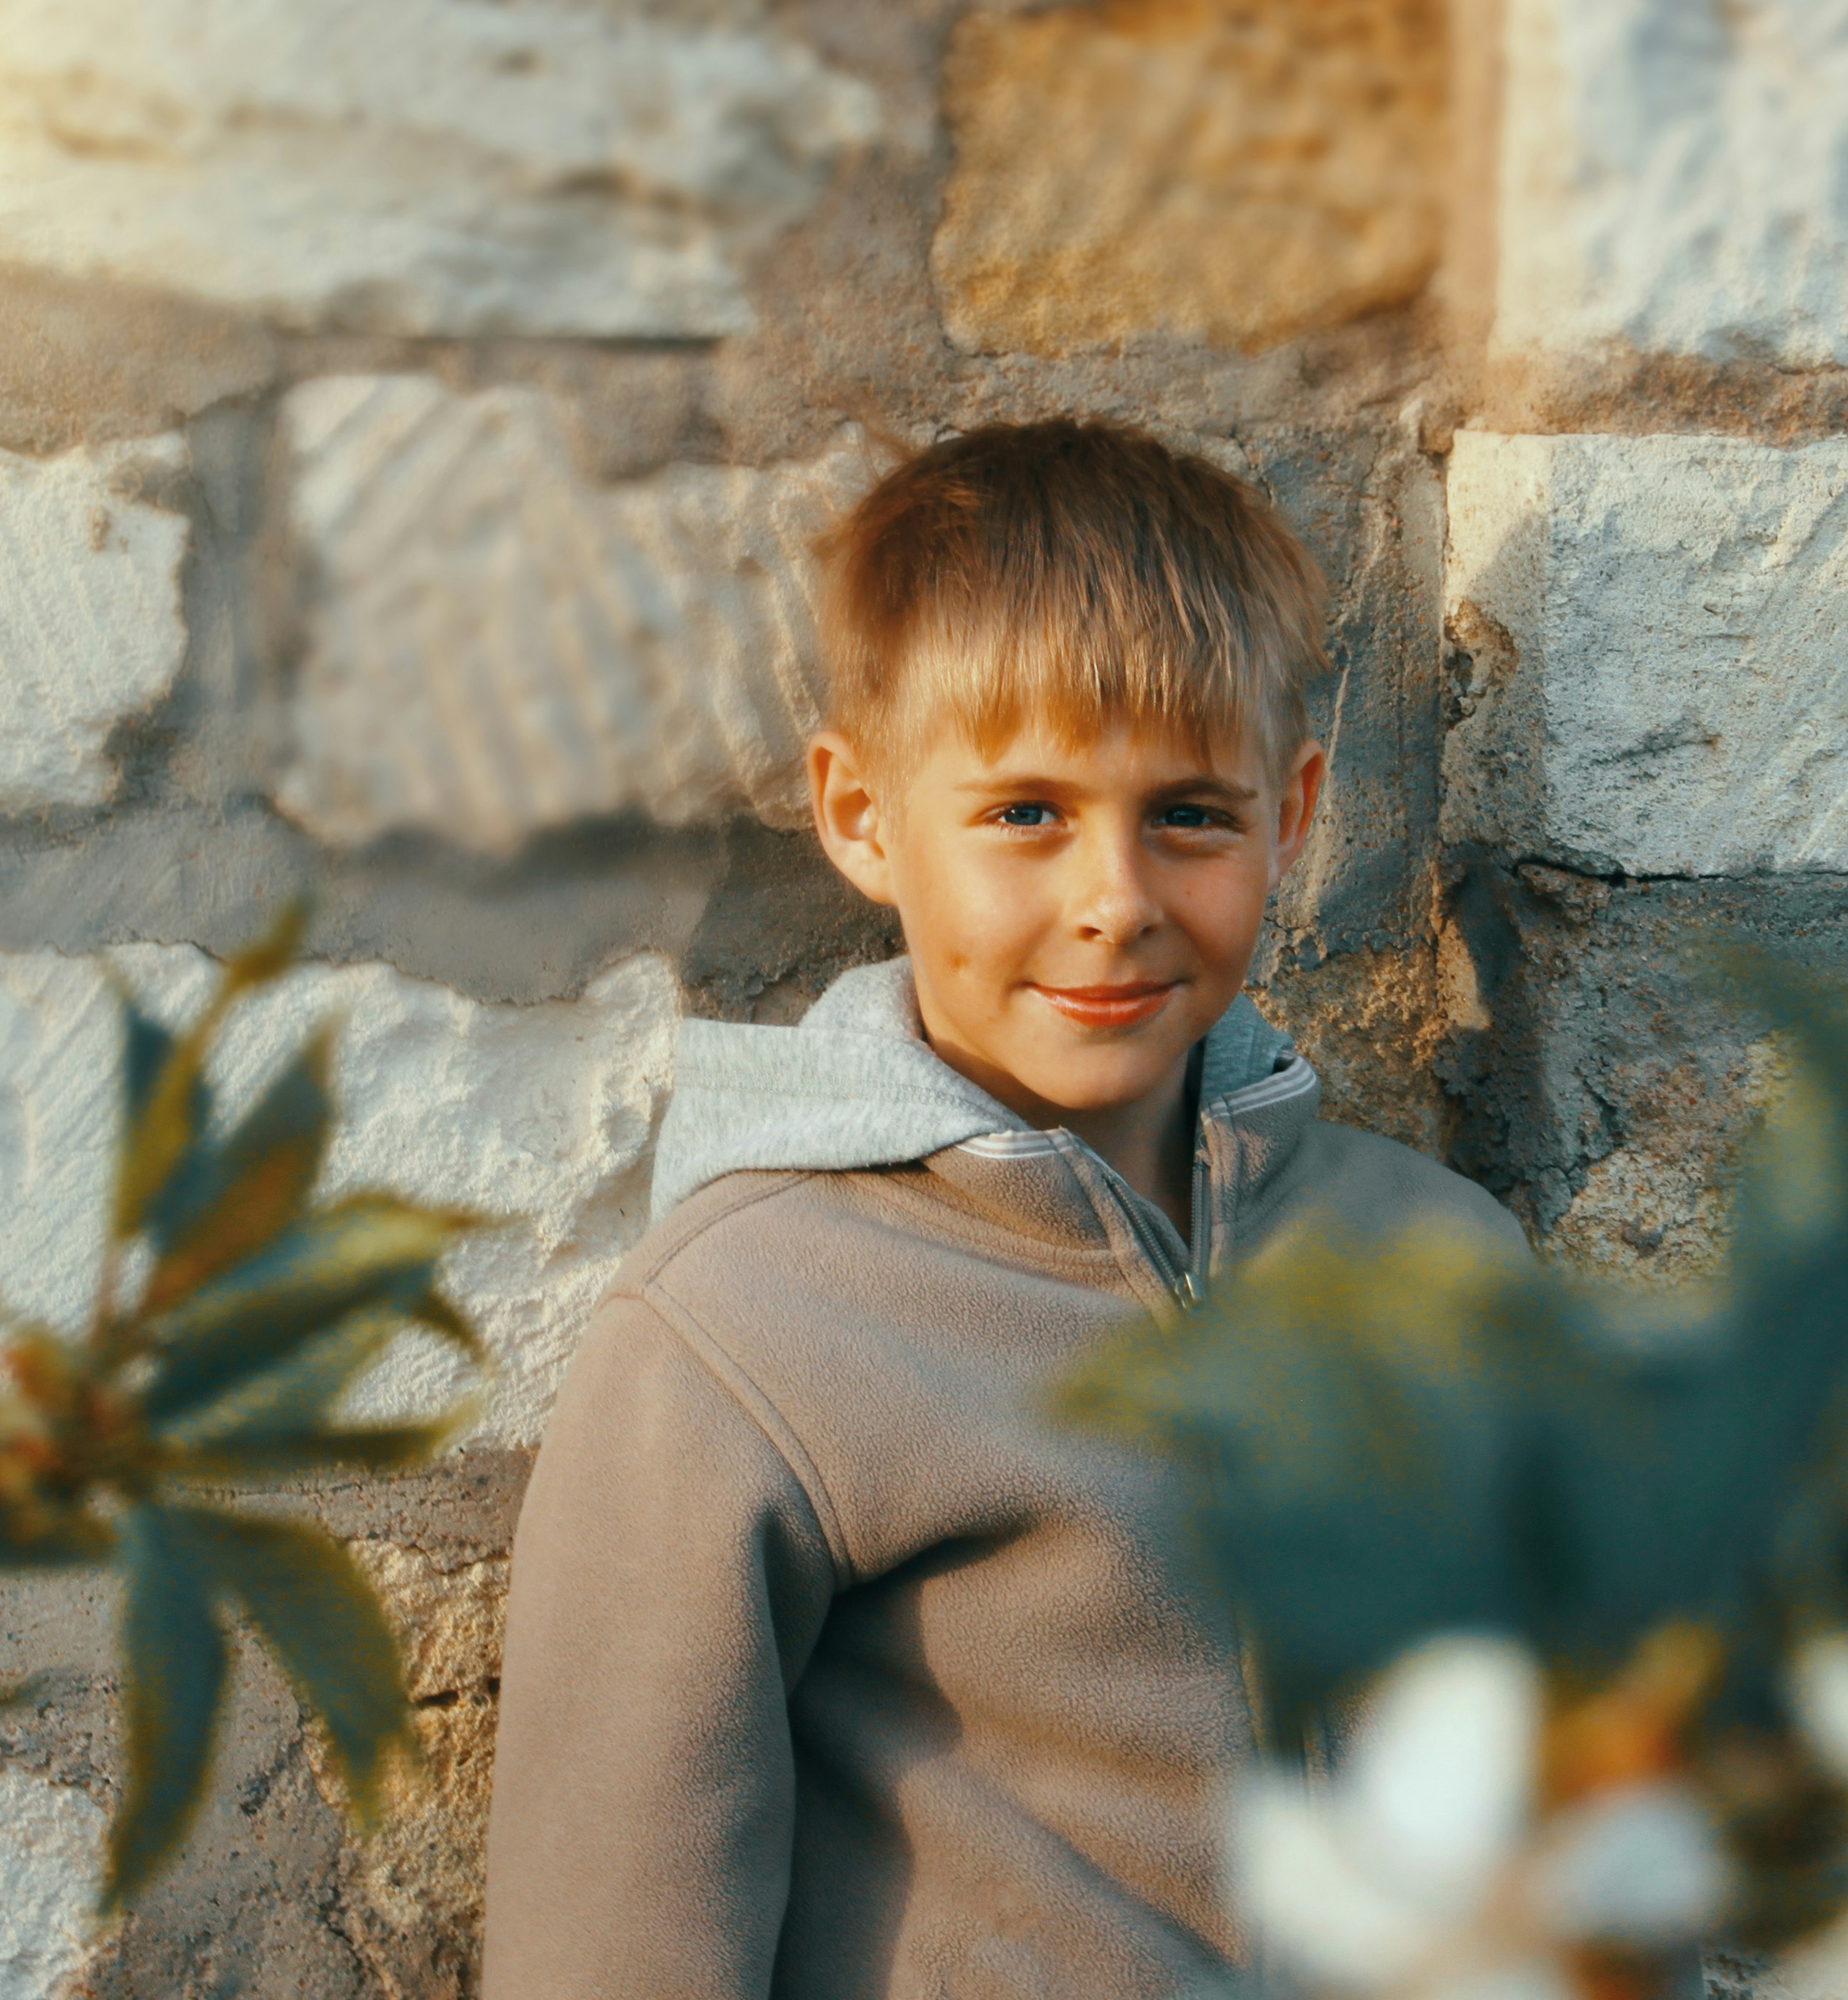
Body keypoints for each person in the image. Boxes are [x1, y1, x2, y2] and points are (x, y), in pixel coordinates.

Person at [481, 418, 1526, 2000]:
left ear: (1293, 813)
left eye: (1188, 811)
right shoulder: (741, 1334)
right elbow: (611, 1947)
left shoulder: (1444, 1266)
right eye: (1026, 812)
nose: (1112, 897)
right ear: (861, 817)